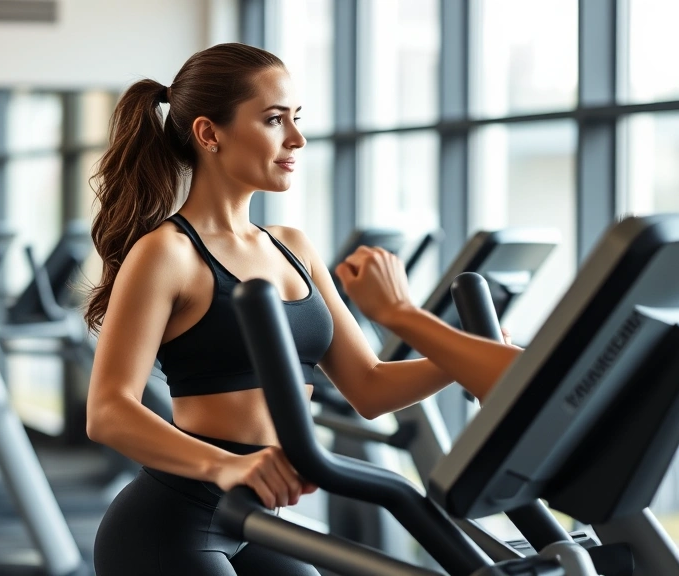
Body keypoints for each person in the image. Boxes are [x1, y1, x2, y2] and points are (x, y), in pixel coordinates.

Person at [85, 43, 518, 576]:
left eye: (296, 118)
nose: (297, 138)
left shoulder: (292, 246)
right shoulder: (167, 253)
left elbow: (370, 386)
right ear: (208, 133)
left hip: (263, 517)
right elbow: (108, 412)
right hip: (175, 522)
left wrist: (470, 358)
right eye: (273, 120)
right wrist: (228, 465)